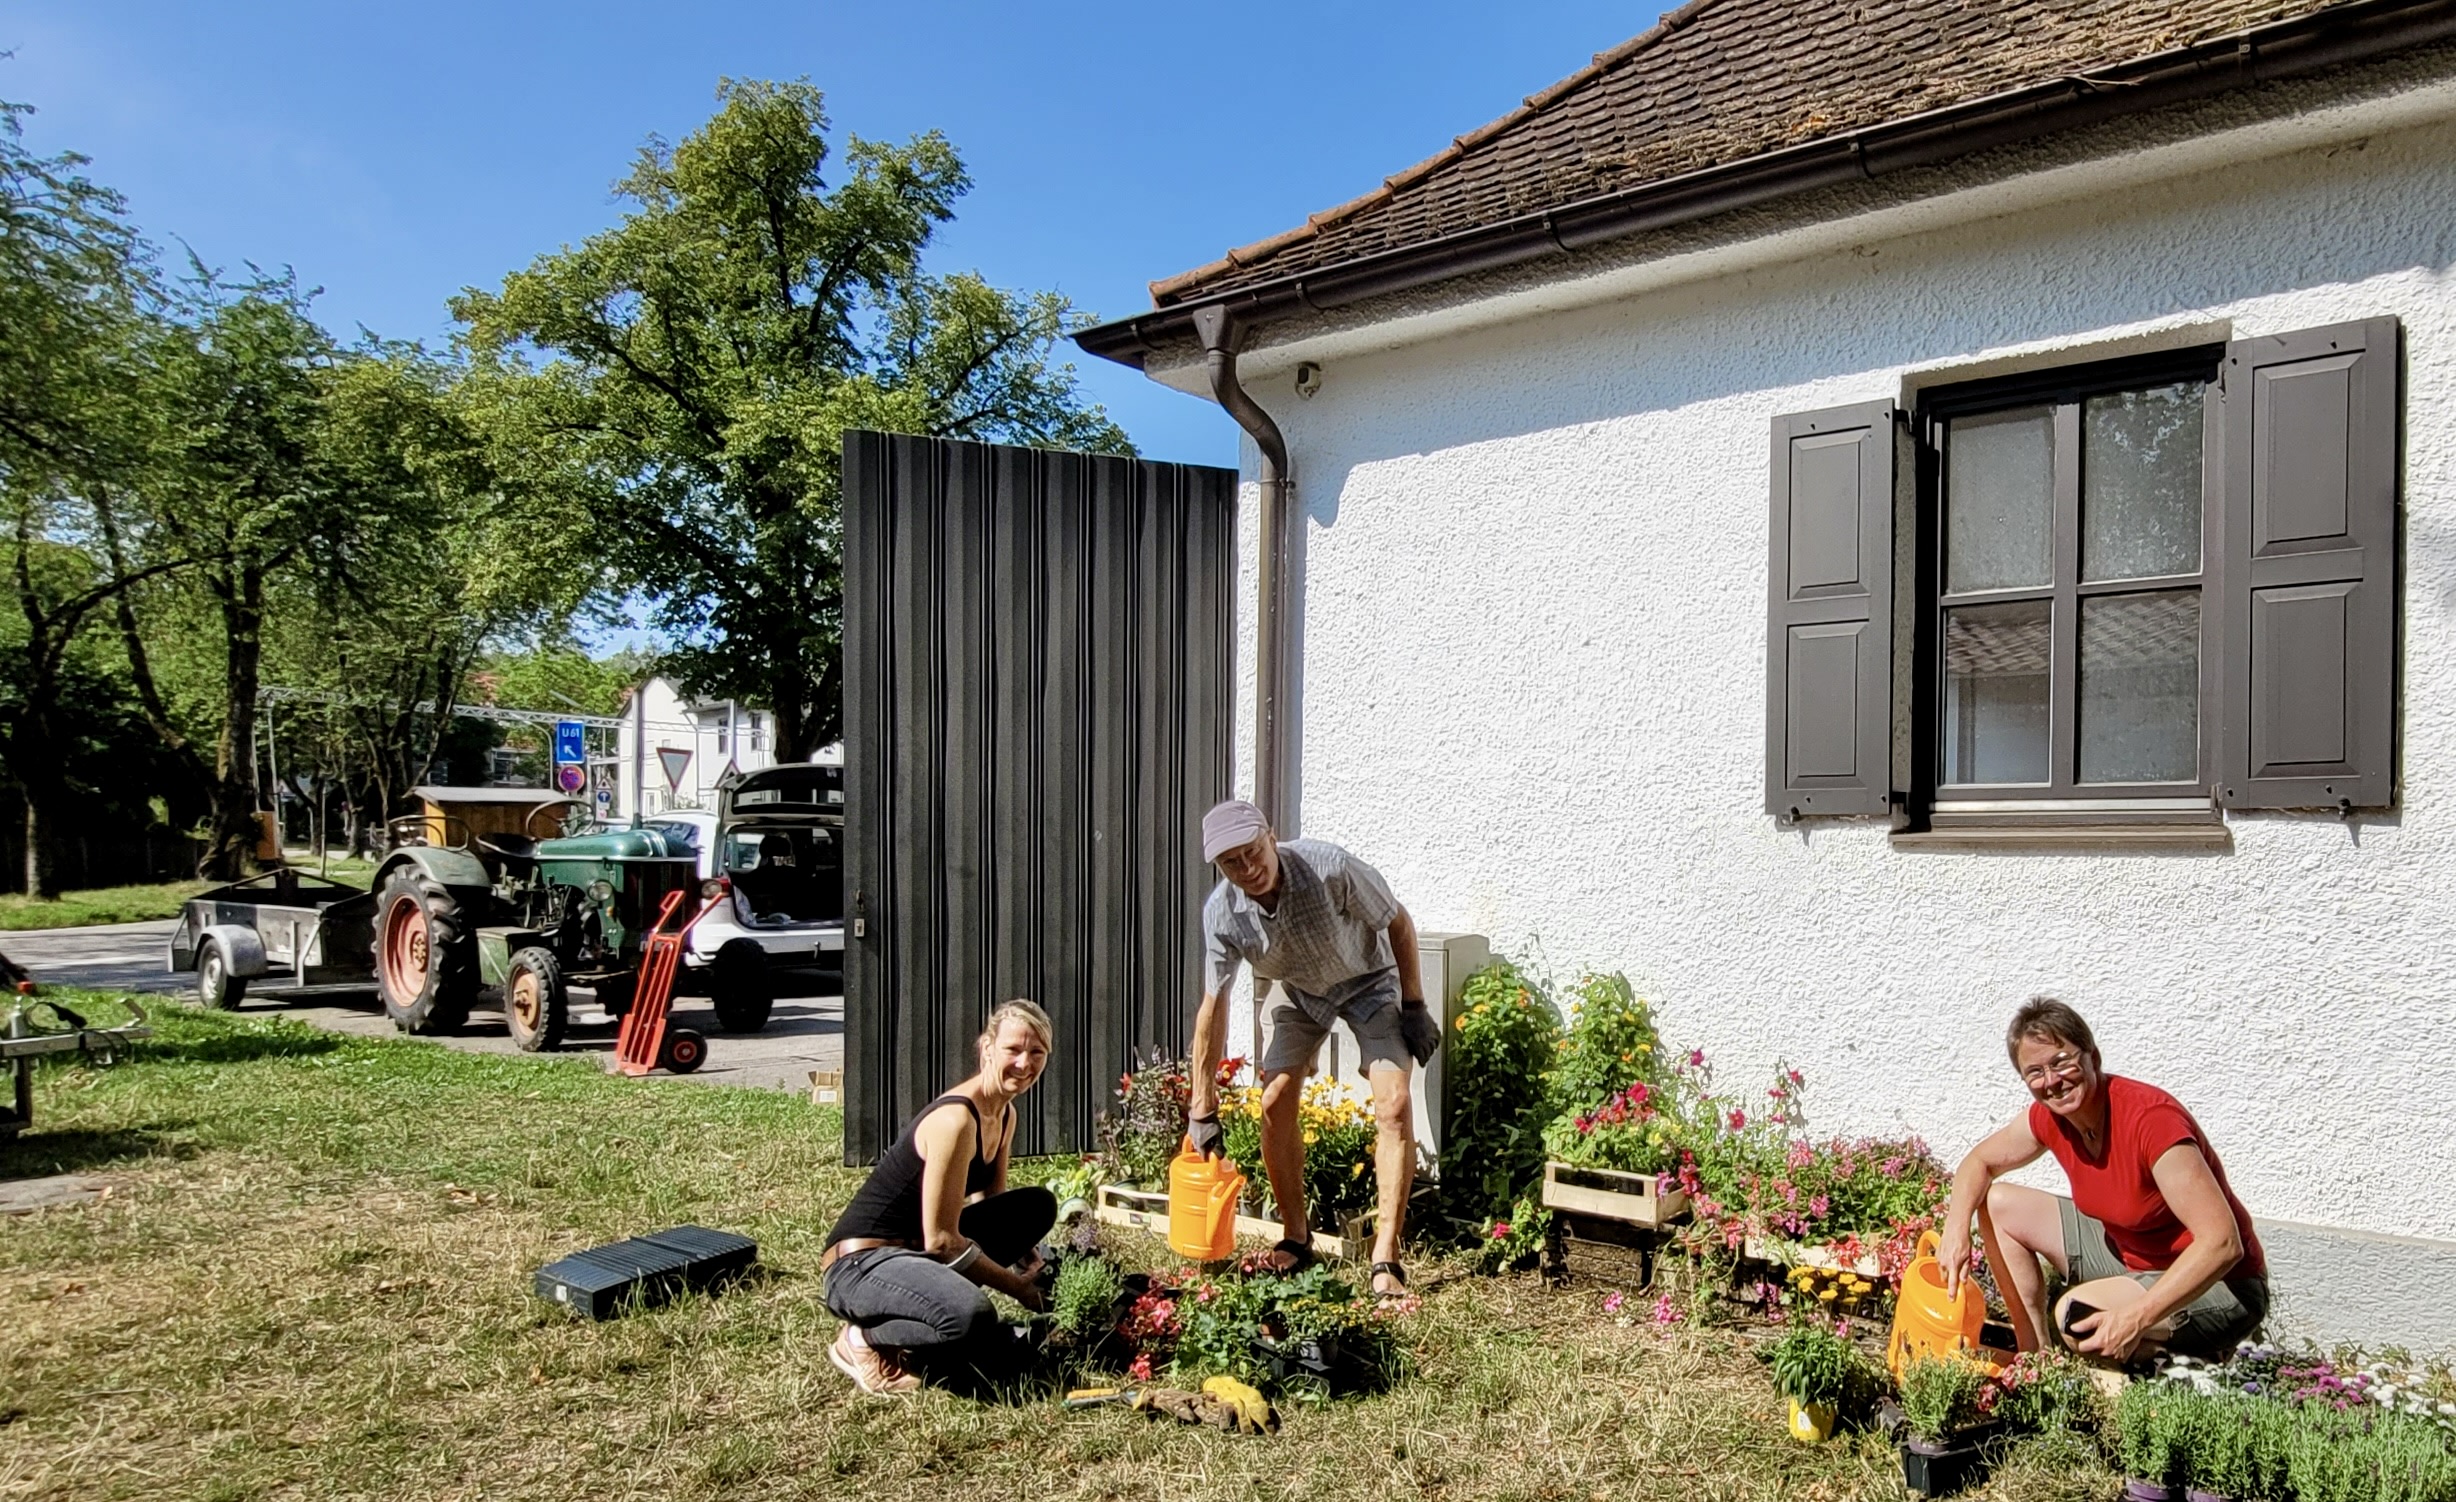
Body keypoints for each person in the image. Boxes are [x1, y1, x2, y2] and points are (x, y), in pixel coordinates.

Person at [1185, 799, 1443, 1300]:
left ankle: (1385, 1255)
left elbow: (1399, 923)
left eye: (1253, 852)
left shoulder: (1329, 867)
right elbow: (1212, 1007)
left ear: (1272, 835)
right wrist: (1202, 1103)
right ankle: (1296, 1237)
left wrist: (1414, 1003)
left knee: (1393, 1104)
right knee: (1274, 1101)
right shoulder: (1222, 913)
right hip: (1300, 990)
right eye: (1231, 862)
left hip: (1369, 981)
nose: (1248, 868)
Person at [1937, 997, 2269, 1363]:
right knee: (1999, 1203)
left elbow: (2222, 1243)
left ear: (2092, 1058)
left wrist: (2137, 1317)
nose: (2052, 1081)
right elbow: (1979, 1162)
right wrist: (1956, 1228)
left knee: (2077, 1319)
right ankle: (2035, 1362)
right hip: (2129, 1256)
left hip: (2220, 1286)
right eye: (2035, 1072)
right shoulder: (2052, 1118)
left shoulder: (2151, 1121)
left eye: (2061, 1062)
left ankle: (2180, 1364)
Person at [821, 999, 1057, 1395]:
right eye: (1013, 1050)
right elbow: (943, 1241)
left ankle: (931, 1307)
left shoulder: (1004, 1113)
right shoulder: (955, 1120)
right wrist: (1020, 1289)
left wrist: (1026, 1255)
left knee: (1036, 1206)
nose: (1025, 1063)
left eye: (1037, 1053)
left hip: (915, 1253)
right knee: (970, 1318)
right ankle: (863, 1338)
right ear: (986, 1048)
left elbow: (991, 1206)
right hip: (861, 1264)